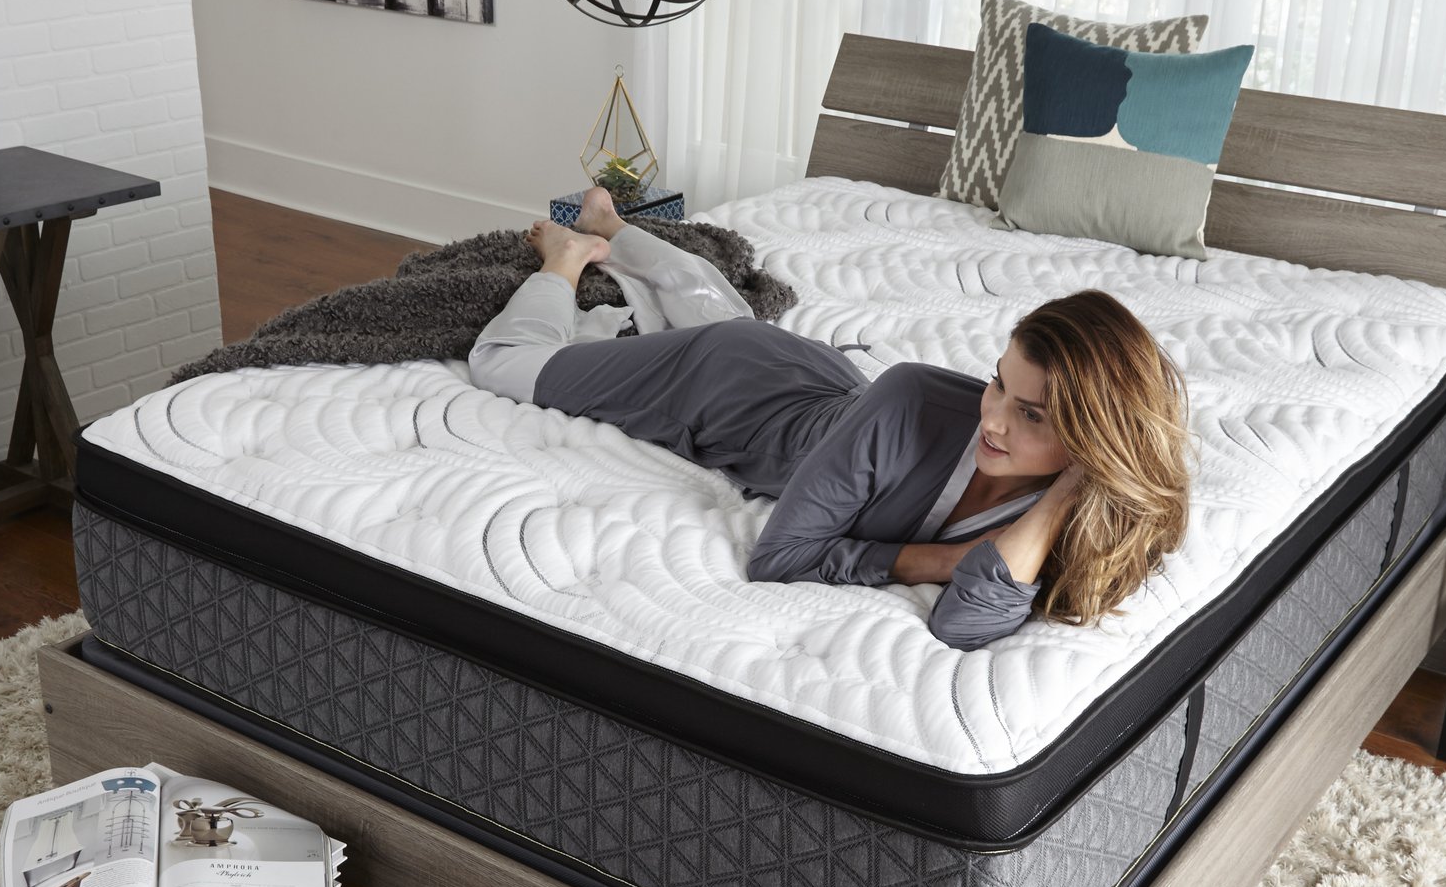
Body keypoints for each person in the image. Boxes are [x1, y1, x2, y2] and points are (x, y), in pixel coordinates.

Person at [463, 188, 1194, 649]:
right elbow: (778, 558)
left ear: (1093, 445)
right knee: (504, 363)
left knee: (730, 320)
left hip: (823, 393)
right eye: (997, 384)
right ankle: (565, 256)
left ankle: (614, 225)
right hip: (723, 391)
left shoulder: (1081, 498)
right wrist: (933, 561)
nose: (994, 421)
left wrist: (1067, 493)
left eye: (1029, 413)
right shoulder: (913, 397)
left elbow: (964, 623)